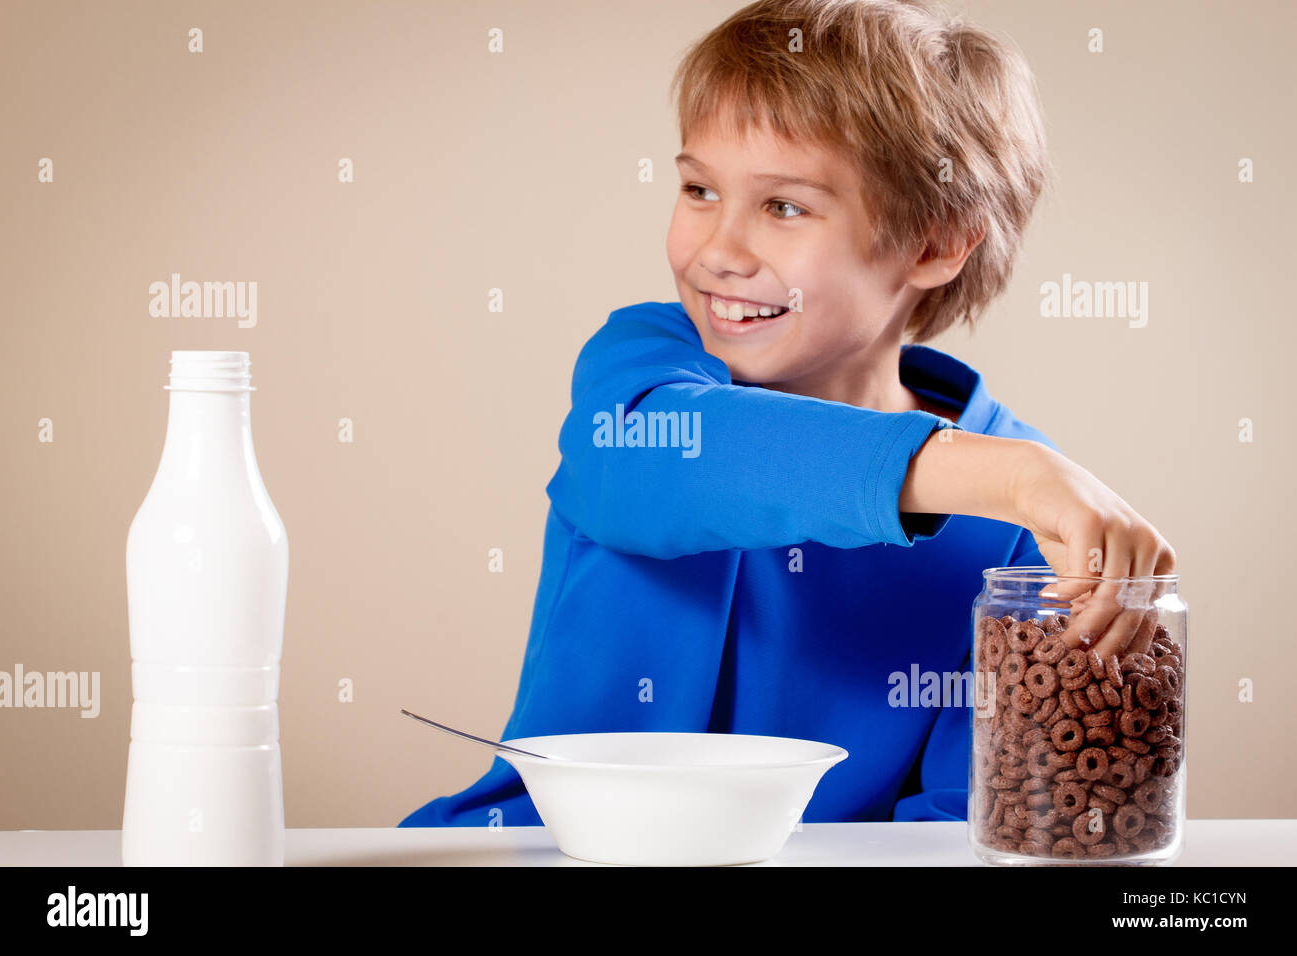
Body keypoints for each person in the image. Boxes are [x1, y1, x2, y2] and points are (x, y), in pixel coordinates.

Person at [400, 0, 1174, 827]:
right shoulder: (642, 371)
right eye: (699, 189)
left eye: (784, 207)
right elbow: (652, 461)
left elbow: (966, 821)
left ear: (937, 242)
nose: (718, 252)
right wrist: (1014, 476)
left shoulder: (1020, 529)